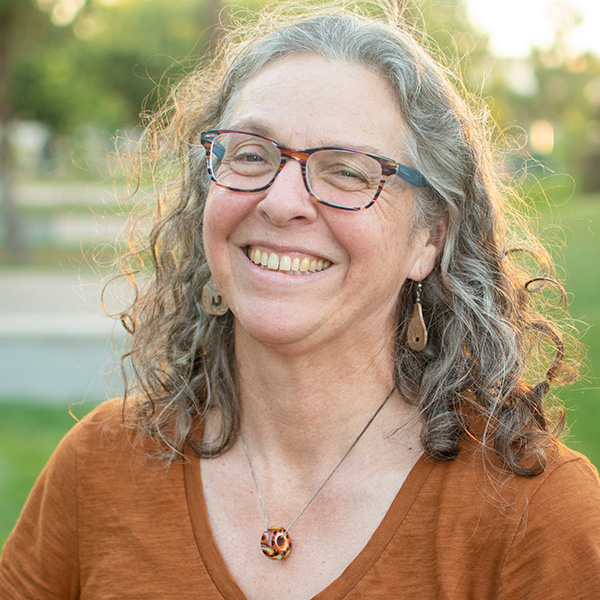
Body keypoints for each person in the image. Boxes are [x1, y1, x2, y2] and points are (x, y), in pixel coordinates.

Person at [1, 2, 600, 598]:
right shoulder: (98, 468)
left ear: (430, 238)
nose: (280, 201)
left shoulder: (538, 516)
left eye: (346, 172)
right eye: (252, 155)